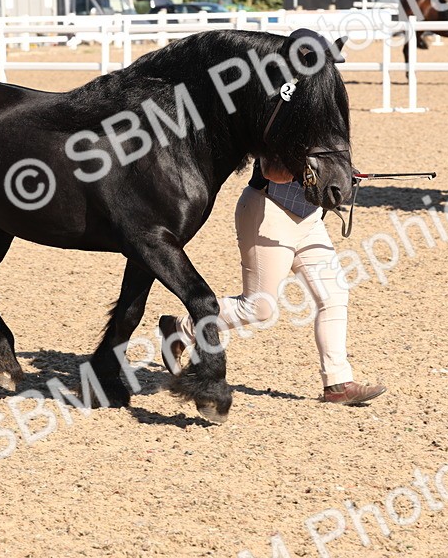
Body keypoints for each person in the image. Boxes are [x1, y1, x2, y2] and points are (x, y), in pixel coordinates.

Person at [158, 33, 385, 406]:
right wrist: (310, 174)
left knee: (334, 293)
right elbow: (275, 171)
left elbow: (324, 157)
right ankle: (180, 329)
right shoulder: (278, 108)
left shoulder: (318, 109)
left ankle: (338, 383)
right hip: (269, 212)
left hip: (307, 218)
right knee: (259, 309)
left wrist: (342, 173)